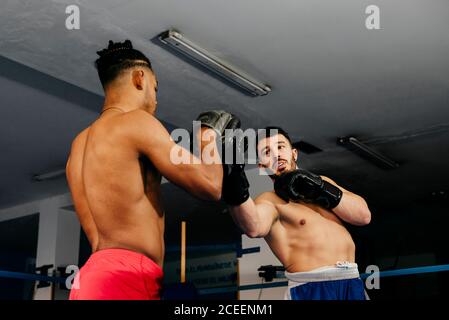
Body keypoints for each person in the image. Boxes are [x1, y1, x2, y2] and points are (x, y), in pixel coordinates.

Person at [65, 39, 239, 299]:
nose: (155, 100)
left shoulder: (78, 145)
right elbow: (210, 186)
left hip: (90, 279)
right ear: (140, 78)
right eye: (155, 88)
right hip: (127, 277)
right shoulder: (137, 122)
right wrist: (207, 136)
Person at [222, 126, 372, 300]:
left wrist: (321, 189)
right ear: (262, 166)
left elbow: (363, 216)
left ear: (294, 153)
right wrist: (233, 180)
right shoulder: (270, 201)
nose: (276, 155)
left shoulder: (323, 181)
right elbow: (253, 227)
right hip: (313, 288)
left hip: (352, 281)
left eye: (280, 147)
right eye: (267, 152)